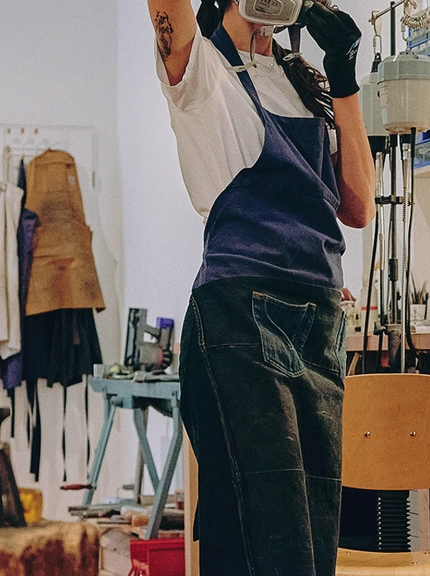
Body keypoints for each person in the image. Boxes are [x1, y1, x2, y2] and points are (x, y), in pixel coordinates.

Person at [146, 0, 375, 573]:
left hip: (318, 319)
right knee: (267, 536)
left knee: (313, 532)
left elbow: (359, 205)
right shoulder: (202, 71)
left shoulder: (302, 84)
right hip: (240, 318)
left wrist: (344, 79)